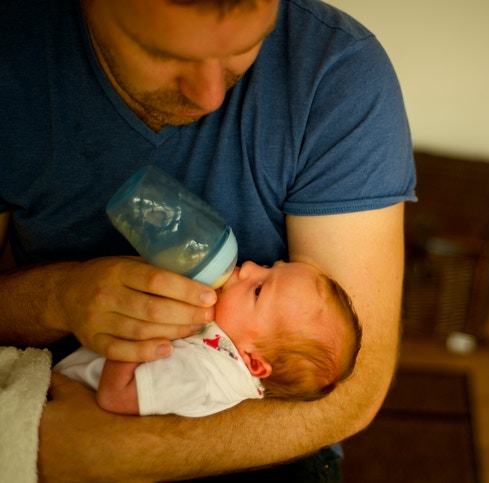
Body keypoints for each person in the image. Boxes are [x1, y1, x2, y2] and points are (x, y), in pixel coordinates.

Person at [0, 0, 416, 480]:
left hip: (263, 443)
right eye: (165, 52)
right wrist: (58, 297)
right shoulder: (15, 56)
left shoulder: (338, 72)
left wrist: (127, 452)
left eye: (243, 47)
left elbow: (350, 386)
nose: (211, 97)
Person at [55, 260, 363, 417]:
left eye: (258, 290)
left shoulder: (206, 377)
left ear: (254, 362)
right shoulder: (219, 345)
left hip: (58, 404)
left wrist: (146, 326)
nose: (250, 268)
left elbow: (116, 398)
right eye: (269, 267)